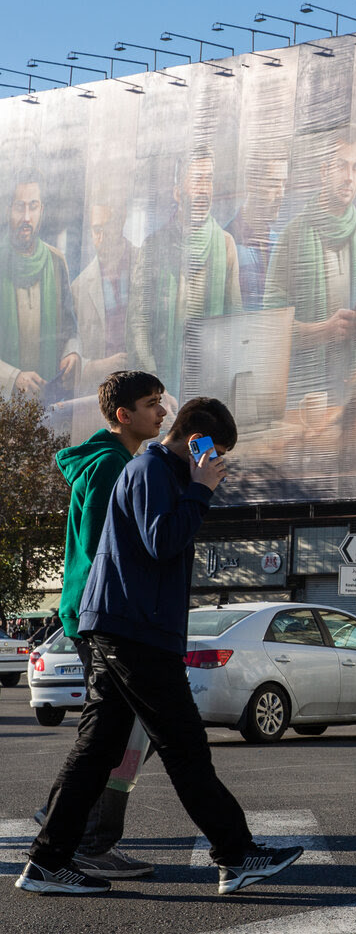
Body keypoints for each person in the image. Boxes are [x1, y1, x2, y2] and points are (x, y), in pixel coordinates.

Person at [17, 397, 302, 895]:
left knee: (98, 747)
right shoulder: (153, 470)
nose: (219, 465)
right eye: (217, 453)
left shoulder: (156, 470)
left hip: (124, 625)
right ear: (199, 443)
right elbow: (161, 540)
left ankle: (47, 860)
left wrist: (194, 488)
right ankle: (236, 854)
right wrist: (200, 490)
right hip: (136, 631)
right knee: (184, 746)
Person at [40, 371, 168, 879]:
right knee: (118, 732)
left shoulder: (120, 460)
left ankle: (77, 827)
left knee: (123, 730)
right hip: (105, 614)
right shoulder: (111, 466)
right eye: (152, 404)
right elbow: (100, 548)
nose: (162, 413)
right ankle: (84, 837)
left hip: (102, 613)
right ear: (124, 415)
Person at [264, 126, 356, 408]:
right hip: (307, 397)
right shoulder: (293, 236)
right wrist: (323, 330)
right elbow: (269, 328)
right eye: (341, 166)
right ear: (324, 170)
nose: (349, 177)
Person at [127, 147, 242, 398]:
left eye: (209, 179)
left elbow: (234, 326)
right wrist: (155, 390)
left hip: (209, 392)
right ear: (177, 192)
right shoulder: (154, 247)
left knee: (203, 438)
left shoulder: (225, 245)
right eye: (197, 179)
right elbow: (139, 323)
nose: (204, 189)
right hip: (160, 395)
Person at [0, 169, 81, 399]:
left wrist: (72, 354)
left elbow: (70, 327)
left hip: (47, 401)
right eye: (19, 207)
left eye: (33, 207)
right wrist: (13, 377)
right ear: (8, 211)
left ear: (41, 210)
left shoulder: (56, 261)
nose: (27, 217)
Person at [74, 198, 138, 392]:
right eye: (96, 230)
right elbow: (71, 347)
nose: (101, 238)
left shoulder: (147, 264)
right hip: (104, 391)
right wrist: (100, 366)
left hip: (146, 383)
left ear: (121, 223)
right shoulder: (79, 287)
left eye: (107, 228)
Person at [227, 152, 289, 310]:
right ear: (251, 184)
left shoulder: (281, 245)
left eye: (284, 184)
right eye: (273, 184)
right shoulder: (227, 243)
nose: (281, 194)